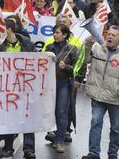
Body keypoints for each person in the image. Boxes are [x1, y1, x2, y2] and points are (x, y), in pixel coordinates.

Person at [0, 17, 37, 159]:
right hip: (8, 88)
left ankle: (29, 149)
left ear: (8, 30)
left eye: (1, 30)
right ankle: (8, 146)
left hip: (25, 86)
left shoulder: (27, 43)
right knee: (9, 116)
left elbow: (36, 60)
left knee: (28, 117)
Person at [82, 26, 119, 159]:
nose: (109, 37)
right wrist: (87, 48)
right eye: (108, 34)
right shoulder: (97, 48)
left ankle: (112, 153)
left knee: (115, 128)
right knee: (95, 122)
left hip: (116, 98)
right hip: (98, 96)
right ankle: (93, 153)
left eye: (114, 35)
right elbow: (86, 61)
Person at [45, 24, 78, 153]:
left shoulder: (72, 49)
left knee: (62, 112)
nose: (54, 34)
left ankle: (59, 141)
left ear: (64, 35)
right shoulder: (49, 47)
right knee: (51, 112)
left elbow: (76, 69)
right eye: (54, 32)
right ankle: (56, 135)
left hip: (63, 84)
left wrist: (66, 67)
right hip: (50, 84)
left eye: (57, 32)